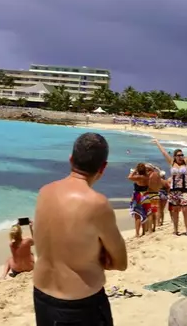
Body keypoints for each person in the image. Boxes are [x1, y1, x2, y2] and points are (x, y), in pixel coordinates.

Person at [33, 132, 127, 326]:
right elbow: (120, 262)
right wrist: (98, 255)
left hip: (42, 295)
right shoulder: (97, 204)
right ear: (103, 167)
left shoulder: (44, 191)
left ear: (71, 159)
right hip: (79, 303)